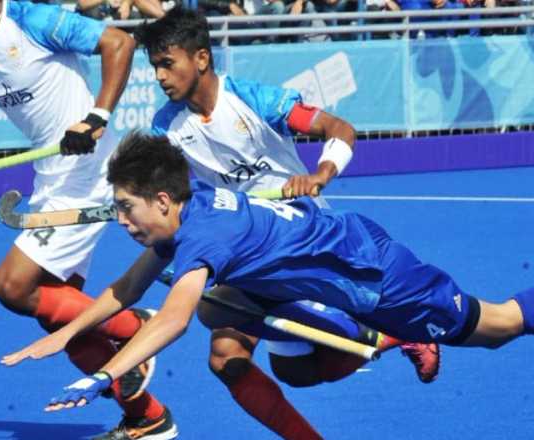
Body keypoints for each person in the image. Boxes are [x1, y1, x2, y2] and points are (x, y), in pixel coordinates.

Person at [1, 131, 534, 419]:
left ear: (161, 201)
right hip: (331, 267)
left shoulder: (201, 234)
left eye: (126, 210)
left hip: (382, 277)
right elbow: (126, 288)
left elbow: (173, 316)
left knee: (500, 325)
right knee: (226, 315)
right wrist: (68, 337)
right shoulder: (187, 213)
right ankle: (360, 335)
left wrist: (104, 371)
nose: (122, 221)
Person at [132, 7, 439, 438]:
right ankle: (390, 336)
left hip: (299, 235)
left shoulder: (254, 99)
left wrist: (319, 175)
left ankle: (385, 328)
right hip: (240, 248)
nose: (160, 76)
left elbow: (340, 128)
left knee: (227, 351)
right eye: (154, 67)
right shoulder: (166, 126)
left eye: (168, 63)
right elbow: (181, 200)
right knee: (288, 371)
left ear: (201, 58)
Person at [0, 0, 177, 438]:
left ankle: (136, 327)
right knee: (58, 318)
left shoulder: (33, 20)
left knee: (11, 285)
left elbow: (119, 42)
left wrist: (96, 118)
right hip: (52, 178)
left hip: (91, 171)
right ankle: (147, 418)